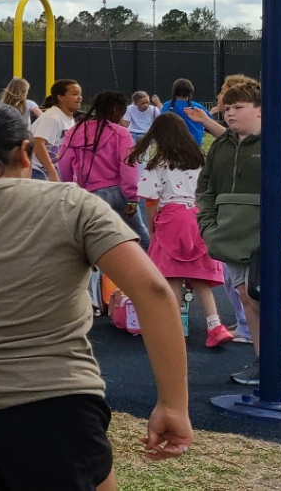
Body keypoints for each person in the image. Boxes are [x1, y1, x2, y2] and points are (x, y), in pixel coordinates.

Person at [0, 100, 192, 489]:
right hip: (57, 407)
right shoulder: (69, 204)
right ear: (25, 152)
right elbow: (155, 292)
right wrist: (173, 405)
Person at [195, 80, 281, 384]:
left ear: (261, 111)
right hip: (231, 235)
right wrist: (209, 227)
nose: (230, 114)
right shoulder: (222, 146)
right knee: (245, 295)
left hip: (274, 234)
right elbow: (207, 188)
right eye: (227, 109)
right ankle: (264, 358)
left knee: (269, 295)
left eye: (238, 108)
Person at [131, 113, 234, 348]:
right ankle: (215, 324)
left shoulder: (157, 164)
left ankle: (174, 328)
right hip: (196, 217)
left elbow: (150, 201)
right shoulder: (198, 159)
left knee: (172, 275)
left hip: (171, 218)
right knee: (200, 276)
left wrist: (153, 227)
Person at [58, 90, 144, 244]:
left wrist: (71, 188)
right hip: (120, 193)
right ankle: (151, 267)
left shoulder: (75, 131)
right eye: (121, 115)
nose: (121, 120)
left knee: (95, 242)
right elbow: (128, 165)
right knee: (139, 238)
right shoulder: (121, 133)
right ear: (115, 111)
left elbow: (64, 165)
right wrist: (132, 197)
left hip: (91, 194)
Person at [29, 78, 81, 181]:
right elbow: (38, 143)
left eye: (80, 94)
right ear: (60, 97)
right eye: (75, 94)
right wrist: (51, 171)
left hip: (48, 169)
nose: (79, 98)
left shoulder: (68, 118)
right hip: (37, 170)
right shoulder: (53, 117)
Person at [163, 78, 214, 145]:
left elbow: (162, 123)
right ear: (190, 91)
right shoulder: (197, 106)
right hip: (194, 142)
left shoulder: (167, 105)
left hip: (173, 143)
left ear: (174, 91)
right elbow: (209, 121)